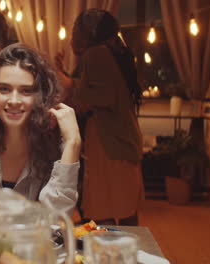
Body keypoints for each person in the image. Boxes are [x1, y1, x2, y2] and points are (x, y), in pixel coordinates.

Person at [0, 43, 81, 221]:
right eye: (4, 89)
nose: (14, 100)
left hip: (35, 249)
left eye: (26, 91)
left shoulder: (55, 141)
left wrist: (73, 143)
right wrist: (36, 217)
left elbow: (56, 220)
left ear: (41, 97)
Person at [55, 9, 144, 225]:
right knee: (122, 207)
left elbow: (100, 97)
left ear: (88, 34)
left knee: (105, 208)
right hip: (115, 142)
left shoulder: (96, 54)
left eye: (75, 32)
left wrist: (64, 79)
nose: (71, 38)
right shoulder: (107, 53)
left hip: (111, 145)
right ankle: (121, 255)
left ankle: (112, 255)